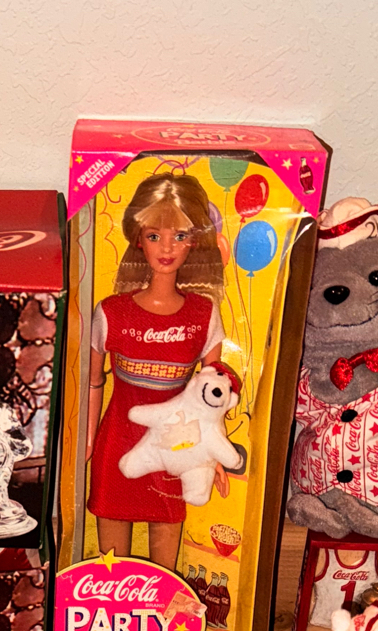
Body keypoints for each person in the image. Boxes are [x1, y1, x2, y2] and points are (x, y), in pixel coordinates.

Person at [86, 172, 228, 569]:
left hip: (176, 447)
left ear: (193, 241)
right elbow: (94, 383)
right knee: (111, 564)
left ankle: (161, 611)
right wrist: (86, 442)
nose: (166, 248)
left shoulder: (204, 314)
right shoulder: (111, 312)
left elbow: (212, 397)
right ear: (138, 239)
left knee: (165, 564)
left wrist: (213, 450)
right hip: (117, 442)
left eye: (179, 236)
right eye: (154, 235)